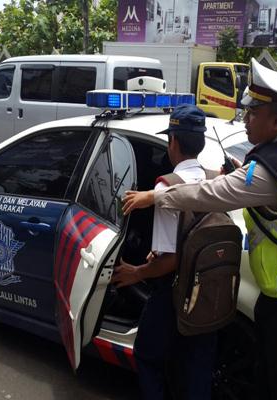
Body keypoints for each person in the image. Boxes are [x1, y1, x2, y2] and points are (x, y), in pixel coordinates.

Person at [122, 58, 277, 400]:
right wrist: (243, 171)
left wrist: (157, 195)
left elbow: (212, 194)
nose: (245, 118)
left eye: (253, 114)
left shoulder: (269, 170)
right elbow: (263, 184)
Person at [112, 104, 217, 400]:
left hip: (173, 293)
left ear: (173, 143)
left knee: (147, 356)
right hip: (206, 291)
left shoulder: (166, 187)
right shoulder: (213, 178)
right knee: (195, 367)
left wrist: (136, 273)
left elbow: (170, 260)